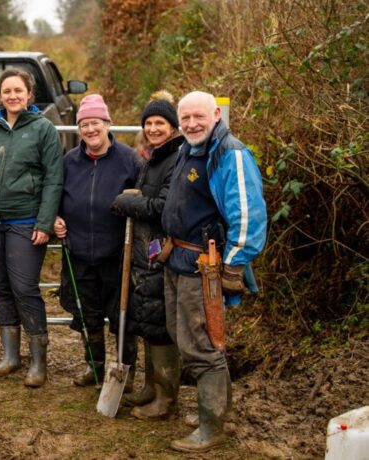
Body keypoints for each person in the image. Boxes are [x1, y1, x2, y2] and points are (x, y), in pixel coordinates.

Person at [161, 91, 266, 452]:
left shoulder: (229, 153)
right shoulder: (187, 149)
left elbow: (248, 213)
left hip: (204, 266)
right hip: (178, 258)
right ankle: (216, 411)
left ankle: (212, 428)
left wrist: (234, 262)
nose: (191, 124)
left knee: (204, 344)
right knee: (184, 336)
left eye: (198, 117)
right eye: (185, 118)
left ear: (216, 114)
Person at [0, 67, 62, 388]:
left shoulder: (44, 130)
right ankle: (10, 356)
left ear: (29, 94)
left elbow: (53, 179)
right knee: (0, 286)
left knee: (24, 288)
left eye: (18, 91)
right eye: (7, 91)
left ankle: (38, 362)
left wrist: (45, 221)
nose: (13, 96)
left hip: (25, 221)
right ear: (0, 95)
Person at [53, 94, 141, 389]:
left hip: (117, 254)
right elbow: (56, 198)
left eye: (95, 123)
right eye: (84, 124)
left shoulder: (129, 161)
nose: (90, 130)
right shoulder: (69, 162)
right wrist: (56, 218)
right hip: (79, 252)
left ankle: (125, 372)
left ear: (107, 124)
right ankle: (96, 367)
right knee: (88, 314)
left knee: (121, 316)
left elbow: (143, 203)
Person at [109, 91, 185, 418]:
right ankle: (152, 387)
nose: (154, 128)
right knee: (148, 319)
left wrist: (126, 202)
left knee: (160, 324)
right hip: (146, 249)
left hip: (162, 250)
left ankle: (166, 399)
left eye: (161, 123)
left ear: (173, 127)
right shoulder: (153, 156)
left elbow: (162, 207)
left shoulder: (176, 158)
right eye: (149, 123)